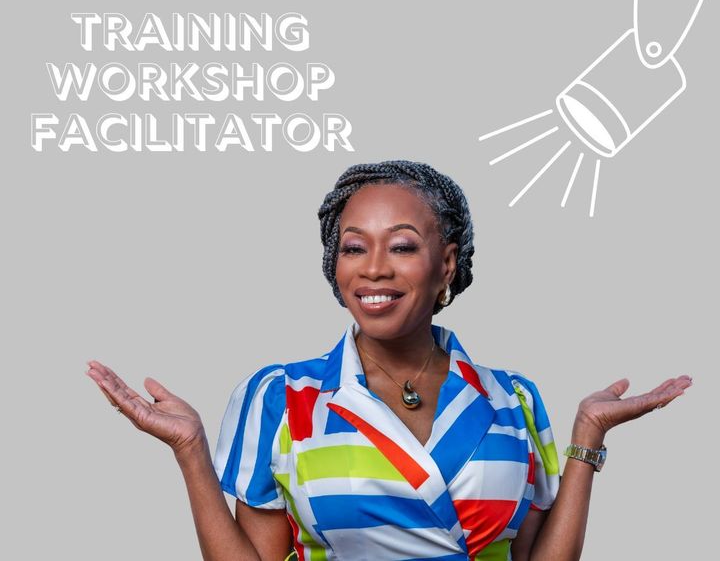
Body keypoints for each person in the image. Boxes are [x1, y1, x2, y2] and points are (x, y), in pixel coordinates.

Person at [86, 160, 691, 561]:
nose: (374, 267)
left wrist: (589, 434)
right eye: (354, 247)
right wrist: (190, 449)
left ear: (447, 265)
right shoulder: (282, 398)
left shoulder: (513, 400)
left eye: (402, 245)